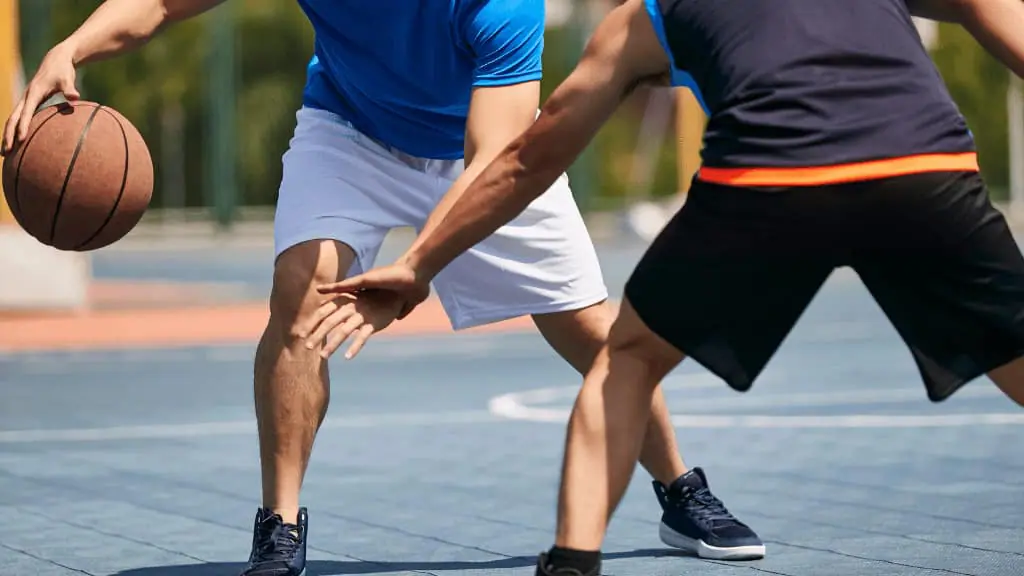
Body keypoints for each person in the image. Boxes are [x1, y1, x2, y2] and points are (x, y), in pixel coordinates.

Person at [1, 0, 769, 574]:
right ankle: (281, 522)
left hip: (487, 157)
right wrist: (73, 46)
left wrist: (419, 267)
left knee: (593, 331)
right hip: (350, 132)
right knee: (301, 295)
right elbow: (165, 3)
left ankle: (679, 488)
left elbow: (492, 160)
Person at [305, 0, 1024, 574]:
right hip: (922, 169)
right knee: (1014, 352)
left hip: (771, 178)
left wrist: (419, 263)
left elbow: (529, 155)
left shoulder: (647, 17)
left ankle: (572, 563)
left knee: (627, 360)